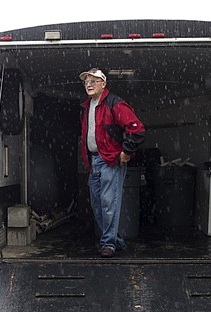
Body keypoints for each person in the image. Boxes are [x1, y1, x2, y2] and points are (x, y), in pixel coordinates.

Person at [79, 68, 145, 258]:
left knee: (109, 203)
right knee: (97, 205)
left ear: (103, 84)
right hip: (94, 161)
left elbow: (137, 129)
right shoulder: (86, 106)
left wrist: (127, 151)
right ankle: (116, 241)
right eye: (86, 82)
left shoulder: (114, 103)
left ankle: (108, 243)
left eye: (93, 81)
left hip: (110, 160)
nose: (89, 85)